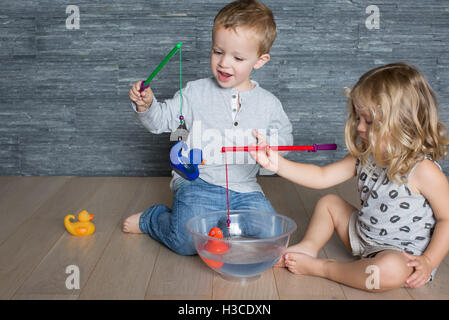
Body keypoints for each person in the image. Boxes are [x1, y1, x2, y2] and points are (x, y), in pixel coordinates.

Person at [250, 62, 449, 292]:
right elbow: (322, 176)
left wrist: (429, 261)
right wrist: (277, 164)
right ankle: (308, 247)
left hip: (402, 256)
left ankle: (324, 268)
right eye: (358, 118)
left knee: (387, 271)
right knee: (329, 203)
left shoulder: (423, 170)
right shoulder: (366, 155)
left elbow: (447, 219)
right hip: (362, 237)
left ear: (402, 123)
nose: (360, 127)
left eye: (369, 121)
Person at [123, 0, 293, 255]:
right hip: (197, 183)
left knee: (271, 236)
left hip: (245, 189)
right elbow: (160, 122)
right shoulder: (195, 92)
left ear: (260, 60)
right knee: (185, 241)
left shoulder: (269, 104)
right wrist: (147, 105)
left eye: (237, 57)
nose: (224, 63)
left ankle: (218, 230)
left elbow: (285, 141)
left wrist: (273, 148)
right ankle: (153, 219)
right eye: (217, 51)